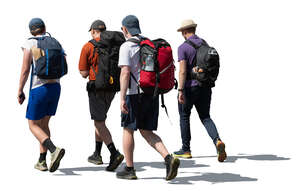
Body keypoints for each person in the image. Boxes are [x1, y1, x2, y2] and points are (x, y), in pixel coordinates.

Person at [117, 15, 180, 180]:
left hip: (134, 94)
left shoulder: (126, 46)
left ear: (125, 29)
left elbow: (124, 72)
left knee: (128, 129)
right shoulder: (149, 43)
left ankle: (129, 169)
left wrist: (122, 98)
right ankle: (169, 158)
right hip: (151, 92)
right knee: (146, 130)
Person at [173, 19, 227, 162]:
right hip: (205, 86)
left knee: (184, 116)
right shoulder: (204, 44)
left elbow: (183, 71)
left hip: (190, 87)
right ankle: (217, 141)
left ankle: (186, 149)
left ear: (184, 32)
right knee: (205, 117)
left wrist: (180, 90)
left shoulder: (183, 47)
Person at [17, 18, 65, 172]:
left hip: (39, 88)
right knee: (44, 125)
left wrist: (20, 90)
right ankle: (42, 161)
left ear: (31, 30)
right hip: (56, 87)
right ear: (44, 28)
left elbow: (25, 70)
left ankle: (53, 150)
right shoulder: (55, 42)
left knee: (33, 125)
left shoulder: (30, 43)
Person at [78, 20, 124, 171]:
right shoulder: (115, 44)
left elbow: (84, 73)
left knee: (99, 122)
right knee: (100, 119)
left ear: (93, 31)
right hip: (112, 88)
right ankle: (97, 154)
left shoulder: (88, 46)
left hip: (96, 89)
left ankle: (114, 152)